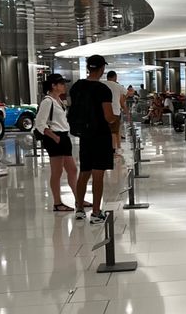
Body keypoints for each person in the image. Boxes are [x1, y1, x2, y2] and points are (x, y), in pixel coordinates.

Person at [69, 54, 117, 224]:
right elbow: (108, 116)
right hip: (100, 135)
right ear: (102, 69)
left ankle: (79, 208)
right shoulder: (103, 90)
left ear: (89, 68)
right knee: (98, 174)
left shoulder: (77, 87)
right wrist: (115, 118)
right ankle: (96, 212)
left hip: (84, 135)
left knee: (84, 172)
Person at [34, 73, 84, 212]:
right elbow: (40, 123)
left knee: (72, 170)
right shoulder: (47, 101)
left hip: (63, 137)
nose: (64, 86)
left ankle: (78, 199)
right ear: (53, 86)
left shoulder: (59, 101)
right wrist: (54, 137)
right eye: (61, 83)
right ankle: (57, 202)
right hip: (55, 138)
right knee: (57, 172)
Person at [105, 70, 128, 154]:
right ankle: (115, 149)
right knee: (115, 131)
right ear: (115, 77)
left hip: (103, 112)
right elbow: (128, 93)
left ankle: (108, 148)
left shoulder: (102, 84)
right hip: (115, 112)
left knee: (106, 131)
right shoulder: (117, 86)